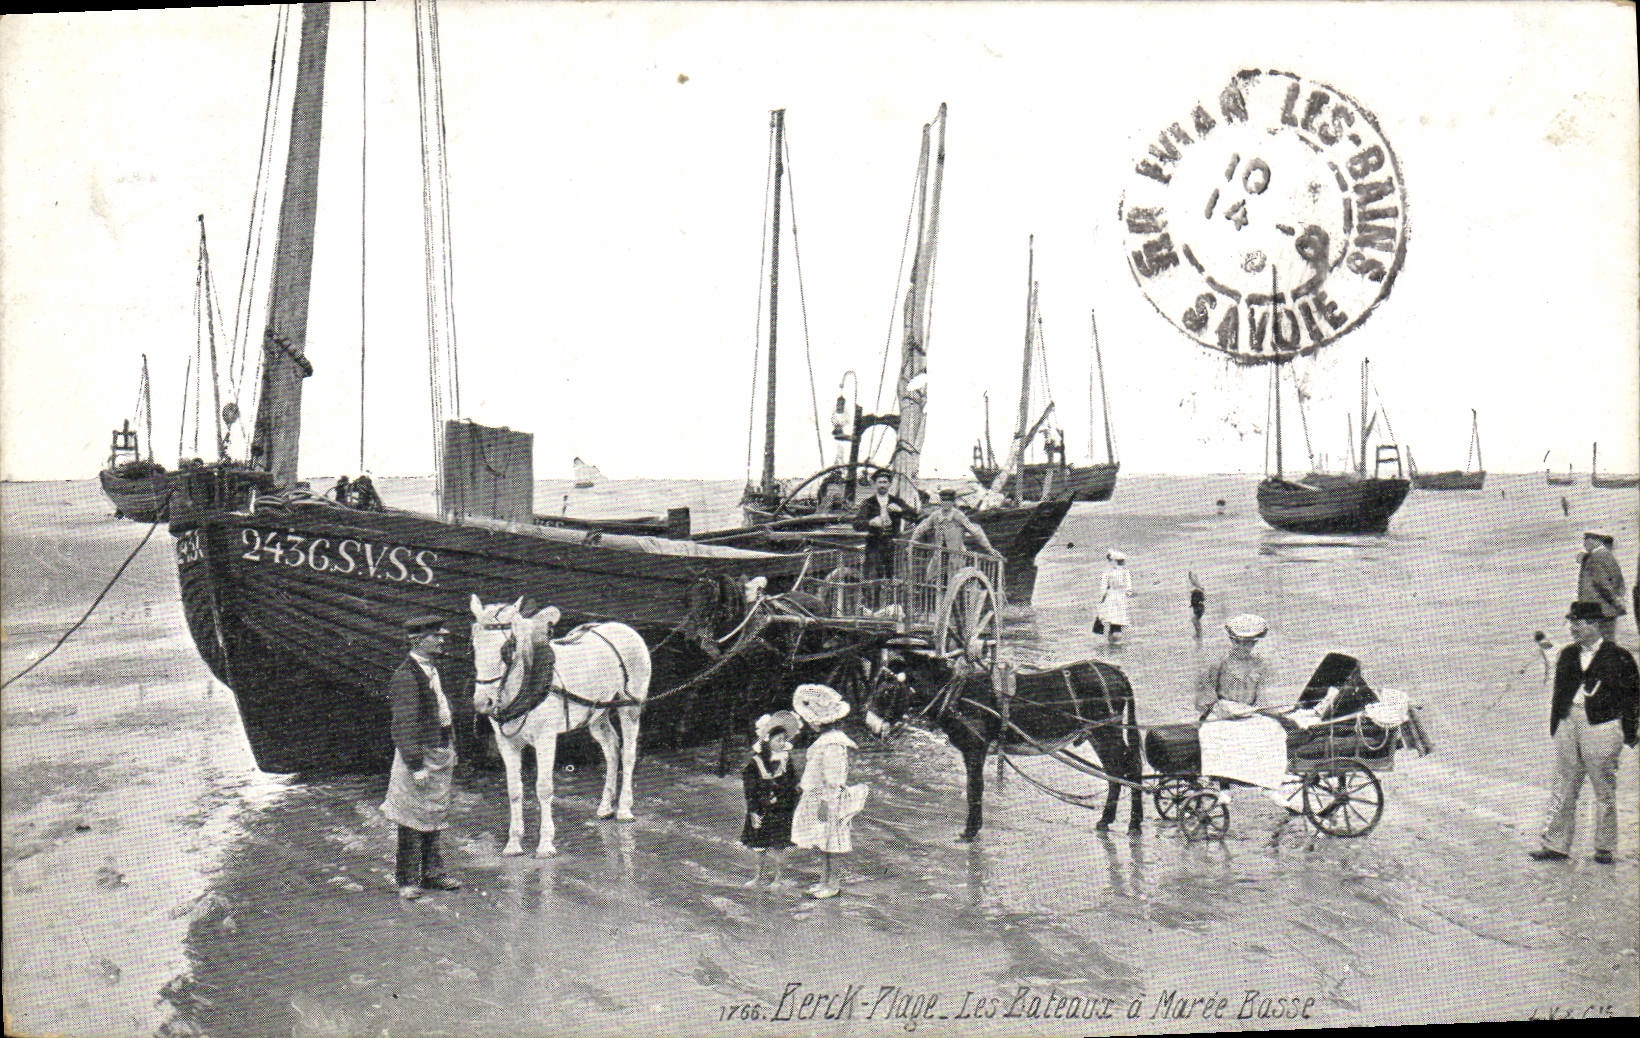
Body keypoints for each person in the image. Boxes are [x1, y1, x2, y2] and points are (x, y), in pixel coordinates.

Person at [1530, 602, 1638, 864]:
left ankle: (1604, 846)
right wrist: (1557, 722)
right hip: (1569, 721)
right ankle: (1556, 844)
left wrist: (1629, 731)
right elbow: (1558, 688)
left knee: (1603, 786)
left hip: (1602, 725)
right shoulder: (1567, 654)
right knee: (1564, 785)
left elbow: (1633, 697)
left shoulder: (1619, 656)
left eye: (1578, 623)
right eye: (1572, 623)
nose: (1573, 629)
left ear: (1594, 624)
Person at [380, 615, 463, 900]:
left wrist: (450, 747)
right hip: (419, 755)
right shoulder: (406, 676)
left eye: (441, 636)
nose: (441, 640)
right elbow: (403, 725)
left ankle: (433, 874)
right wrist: (415, 765)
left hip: (437, 751)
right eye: (435, 636)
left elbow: (441, 712)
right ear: (418, 640)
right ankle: (407, 880)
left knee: (433, 815)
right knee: (411, 818)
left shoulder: (431, 670)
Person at [789, 684, 867, 900]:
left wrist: (825, 802)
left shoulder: (833, 743)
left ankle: (832, 884)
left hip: (829, 799)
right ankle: (825, 880)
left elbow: (834, 778)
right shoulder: (827, 741)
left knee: (832, 843)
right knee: (823, 842)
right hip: (820, 797)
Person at [740, 710, 802, 887]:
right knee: (759, 844)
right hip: (760, 808)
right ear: (768, 741)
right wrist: (753, 810)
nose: (782, 743)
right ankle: (758, 877)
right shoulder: (755, 762)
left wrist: (788, 794)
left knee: (779, 846)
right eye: (778, 740)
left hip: (781, 809)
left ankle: (778, 879)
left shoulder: (785, 759)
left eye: (784, 740)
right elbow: (749, 789)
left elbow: (792, 783)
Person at [911, 488, 1000, 587]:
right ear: (940, 502)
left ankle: (955, 601)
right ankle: (939, 600)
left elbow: (976, 531)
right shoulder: (936, 516)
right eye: (944, 501)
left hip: (956, 555)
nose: (946, 504)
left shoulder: (958, 516)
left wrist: (989, 549)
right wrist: (912, 541)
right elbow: (922, 527)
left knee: (955, 582)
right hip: (939, 555)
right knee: (932, 579)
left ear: (953, 502)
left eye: (949, 501)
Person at [1194, 614, 1276, 720]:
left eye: (1247, 643)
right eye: (1238, 642)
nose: (1242, 647)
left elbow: (1263, 697)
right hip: (1221, 716)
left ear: (1254, 642)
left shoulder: (1259, 665)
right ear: (1231, 640)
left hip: (1249, 715)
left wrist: (1259, 709)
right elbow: (1205, 692)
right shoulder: (1220, 662)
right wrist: (1217, 707)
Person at [851, 471, 916, 582]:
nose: (882, 485)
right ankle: (874, 598)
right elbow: (856, 524)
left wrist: (900, 510)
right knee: (873, 580)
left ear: (890, 484)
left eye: (885, 482)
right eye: (880, 482)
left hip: (894, 546)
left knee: (894, 580)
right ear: (875, 484)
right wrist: (870, 522)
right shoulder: (868, 503)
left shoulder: (897, 501)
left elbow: (914, 516)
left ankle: (891, 597)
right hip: (874, 546)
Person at [1577, 529, 1628, 641]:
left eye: (1587, 539)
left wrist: (1616, 601)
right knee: (1606, 642)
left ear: (1597, 540)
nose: (1584, 543)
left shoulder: (1597, 557)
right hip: (1604, 609)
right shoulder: (1601, 555)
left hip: (1600, 609)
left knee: (1602, 643)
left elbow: (1603, 583)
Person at [1094, 550, 1134, 647]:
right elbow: (1129, 589)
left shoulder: (1108, 572)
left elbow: (1103, 589)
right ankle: (1117, 644)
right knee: (1118, 623)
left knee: (1111, 621)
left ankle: (1111, 644)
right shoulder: (1125, 572)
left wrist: (1101, 600)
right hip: (1121, 598)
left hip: (1111, 597)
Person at [1187, 571, 1207, 640]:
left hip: (1198, 608)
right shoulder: (1199, 590)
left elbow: (1195, 583)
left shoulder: (1197, 591)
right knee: (1196, 620)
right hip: (1199, 607)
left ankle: (1198, 634)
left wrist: (1192, 577)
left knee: (1195, 620)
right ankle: (1198, 634)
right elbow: (1195, 583)